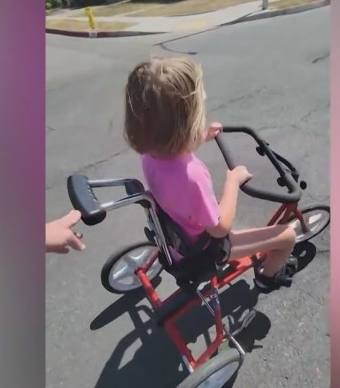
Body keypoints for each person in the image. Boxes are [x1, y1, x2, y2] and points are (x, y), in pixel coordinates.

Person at [123, 57, 297, 292]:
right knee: (287, 236)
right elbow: (220, 228)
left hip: (177, 238)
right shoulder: (192, 177)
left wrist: (201, 136)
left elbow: (169, 143)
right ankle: (267, 278)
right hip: (206, 250)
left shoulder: (149, 154)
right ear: (187, 122)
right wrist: (233, 181)